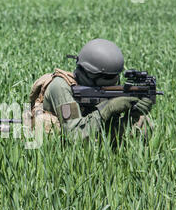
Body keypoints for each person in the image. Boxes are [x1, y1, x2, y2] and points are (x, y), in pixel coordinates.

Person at [25, 38, 154, 143]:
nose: (112, 82)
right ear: (89, 73)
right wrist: (107, 108)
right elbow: (74, 135)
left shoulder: (112, 86)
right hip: (66, 143)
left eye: (114, 77)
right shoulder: (60, 87)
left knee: (143, 122)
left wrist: (135, 111)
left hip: (93, 136)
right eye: (106, 78)